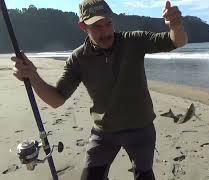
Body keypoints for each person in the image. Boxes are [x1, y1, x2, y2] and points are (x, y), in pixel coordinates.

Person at [11, 0, 188, 179]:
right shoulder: (79, 58)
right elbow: (56, 100)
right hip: (104, 132)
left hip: (141, 128)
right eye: (96, 26)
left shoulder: (134, 41)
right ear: (83, 27)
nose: (105, 32)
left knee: (144, 174)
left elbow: (176, 41)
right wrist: (32, 76)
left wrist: (176, 25)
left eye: (108, 23)